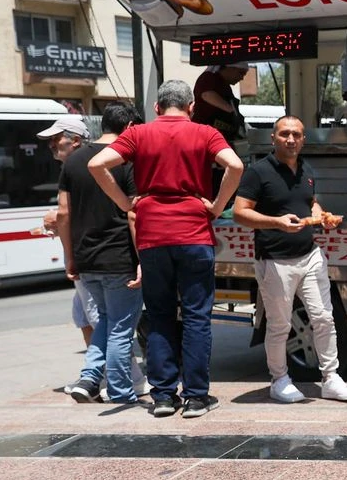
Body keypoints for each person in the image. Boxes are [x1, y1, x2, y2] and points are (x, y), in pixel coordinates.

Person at [88, 80, 245, 418]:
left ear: (157, 108)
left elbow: (96, 164)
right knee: (196, 317)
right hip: (194, 234)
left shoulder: (138, 133)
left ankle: (162, 396)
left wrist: (126, 203)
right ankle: (196, 397)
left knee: (159, 315)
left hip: (153, 236)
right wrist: (217, 207)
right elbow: (235, 166)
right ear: (191, 106)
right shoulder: (205, 133)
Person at [233, 115, 347, 403]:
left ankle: (331, 378)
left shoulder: (306, 169)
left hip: (310, 255)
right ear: (273, 138)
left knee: (324, 318)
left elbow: (309, 201)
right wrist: (276, 223)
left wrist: (320, 216)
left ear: (304, 139)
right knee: (279, 325)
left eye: (297, 135)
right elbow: (241, 212)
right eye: (285, 134)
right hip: (275, 260)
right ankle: (279, 380)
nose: (291, 139)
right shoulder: (258, 172)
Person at [54, 103, 146, 404]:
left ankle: (90, 376)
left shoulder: (74, 160)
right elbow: (133, 214)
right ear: (130, 127)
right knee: (121, 328)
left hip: (86, 256)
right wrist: (142, 259)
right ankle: (120, 391)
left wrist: (70, 255)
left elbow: (64, 213)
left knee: (105, 321)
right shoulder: (127, 160)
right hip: (119, 257)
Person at [36, 122, 97, 350]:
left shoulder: (80, 167)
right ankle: (95, 373)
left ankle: (128, 376)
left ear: (76, 140)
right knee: (83, 315)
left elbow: (69, 212)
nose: (52, 144)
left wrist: (59, 219)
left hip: (86, 257)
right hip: (84, 255)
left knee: (96, 317)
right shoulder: (75, 167)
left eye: (57, 138)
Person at [193, 63, 250, 201]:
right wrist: (229, 110)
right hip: (207, 146)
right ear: (230, 68)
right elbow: (206, 94)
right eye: (240, 73)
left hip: (224, 144)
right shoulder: (209, 78)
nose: (241, 78)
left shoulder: (225, 87)